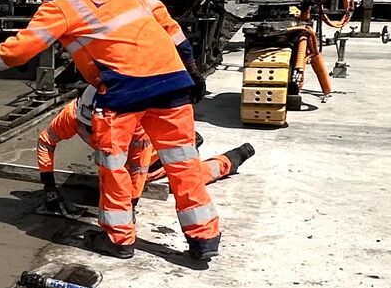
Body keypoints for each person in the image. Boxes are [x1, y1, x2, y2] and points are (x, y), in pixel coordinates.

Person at [0, 0, 222, 266]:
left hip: (124, 91)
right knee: (183, 162)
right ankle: (204, 237)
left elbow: (18, 50)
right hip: (172, 83)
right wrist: (191, 68)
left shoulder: (61, 6)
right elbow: (169, 26)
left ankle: (118, 239)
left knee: (113, 167)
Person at [36, 83, 255, 216]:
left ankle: (230, 160)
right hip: (134, 153)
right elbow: (46, 142)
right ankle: (191, 142)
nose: (97, 135)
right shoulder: (72, 115)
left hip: (155, 155)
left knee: (186, 179)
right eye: (90, 130)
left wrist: (130, 205)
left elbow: (138, 170)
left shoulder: (136, 128)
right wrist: (49, 185)